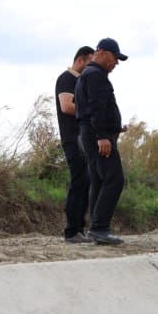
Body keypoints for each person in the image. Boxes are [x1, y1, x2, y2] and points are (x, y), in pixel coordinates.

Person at [75, 38, 128, 245]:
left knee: (99, 180)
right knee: (115, 178)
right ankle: (99, 228)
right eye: (115, 58)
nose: (116, 64)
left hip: (89, 134)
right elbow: (95, 108)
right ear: (103, 52)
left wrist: (114, 127)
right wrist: (103, 136)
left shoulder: (88, 76)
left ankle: (95, 228)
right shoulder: (96, 76)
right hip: (95, 136)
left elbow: (91, 109)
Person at [55, 46, 94, 243]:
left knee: (86, 182)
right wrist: (90, 111)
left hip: (84, 140)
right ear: (80, 60)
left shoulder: (81, 82)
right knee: (79, 181)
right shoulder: (66, 79)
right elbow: (66, 106)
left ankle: (80, 228)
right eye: (90, 62)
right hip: (72, 138)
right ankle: (72, 231)